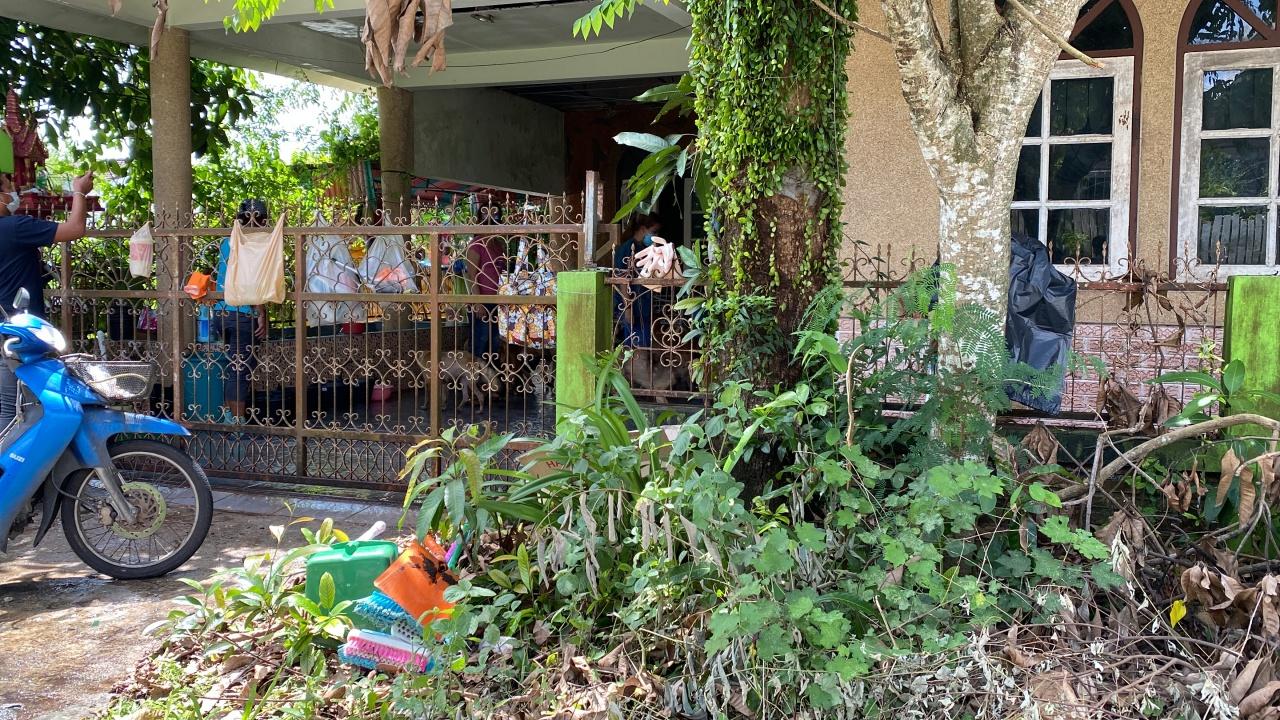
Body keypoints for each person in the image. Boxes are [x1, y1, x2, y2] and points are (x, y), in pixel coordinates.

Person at [0, 171, 94, 430]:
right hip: (17, 334)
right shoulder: (14, 228)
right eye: (9, 187)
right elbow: (75, 229)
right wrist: (79, 191)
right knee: (15, 408)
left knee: (10, 404)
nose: (15, 193)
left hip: (7, 329)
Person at [213, 198, 270, 423]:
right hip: (242, 313)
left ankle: (230, 416)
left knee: (233, 366)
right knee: (240, 369)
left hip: (222, 312)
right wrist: (261, 313)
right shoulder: (251, 244)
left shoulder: (227, 241)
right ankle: (237, 423)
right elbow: (249, 282)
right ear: (261, 220)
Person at [614, 213, 661, 348]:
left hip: (643, 303)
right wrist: (628, 308)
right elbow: (623, 280)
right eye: (654, 232)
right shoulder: (628, 248)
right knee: (635, 345)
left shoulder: (644, 248)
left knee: (643, 343)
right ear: (643, 229)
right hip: (631, 304)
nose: (656, 235)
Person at [466, 230, 505, 362]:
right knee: (480, 341)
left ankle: (490, 373)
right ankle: (474, 373)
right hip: (482, 300)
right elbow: (472, 275)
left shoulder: (498, 245)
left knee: (495, 342)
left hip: (497, 300)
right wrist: (478, 301)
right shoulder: (477, 244)